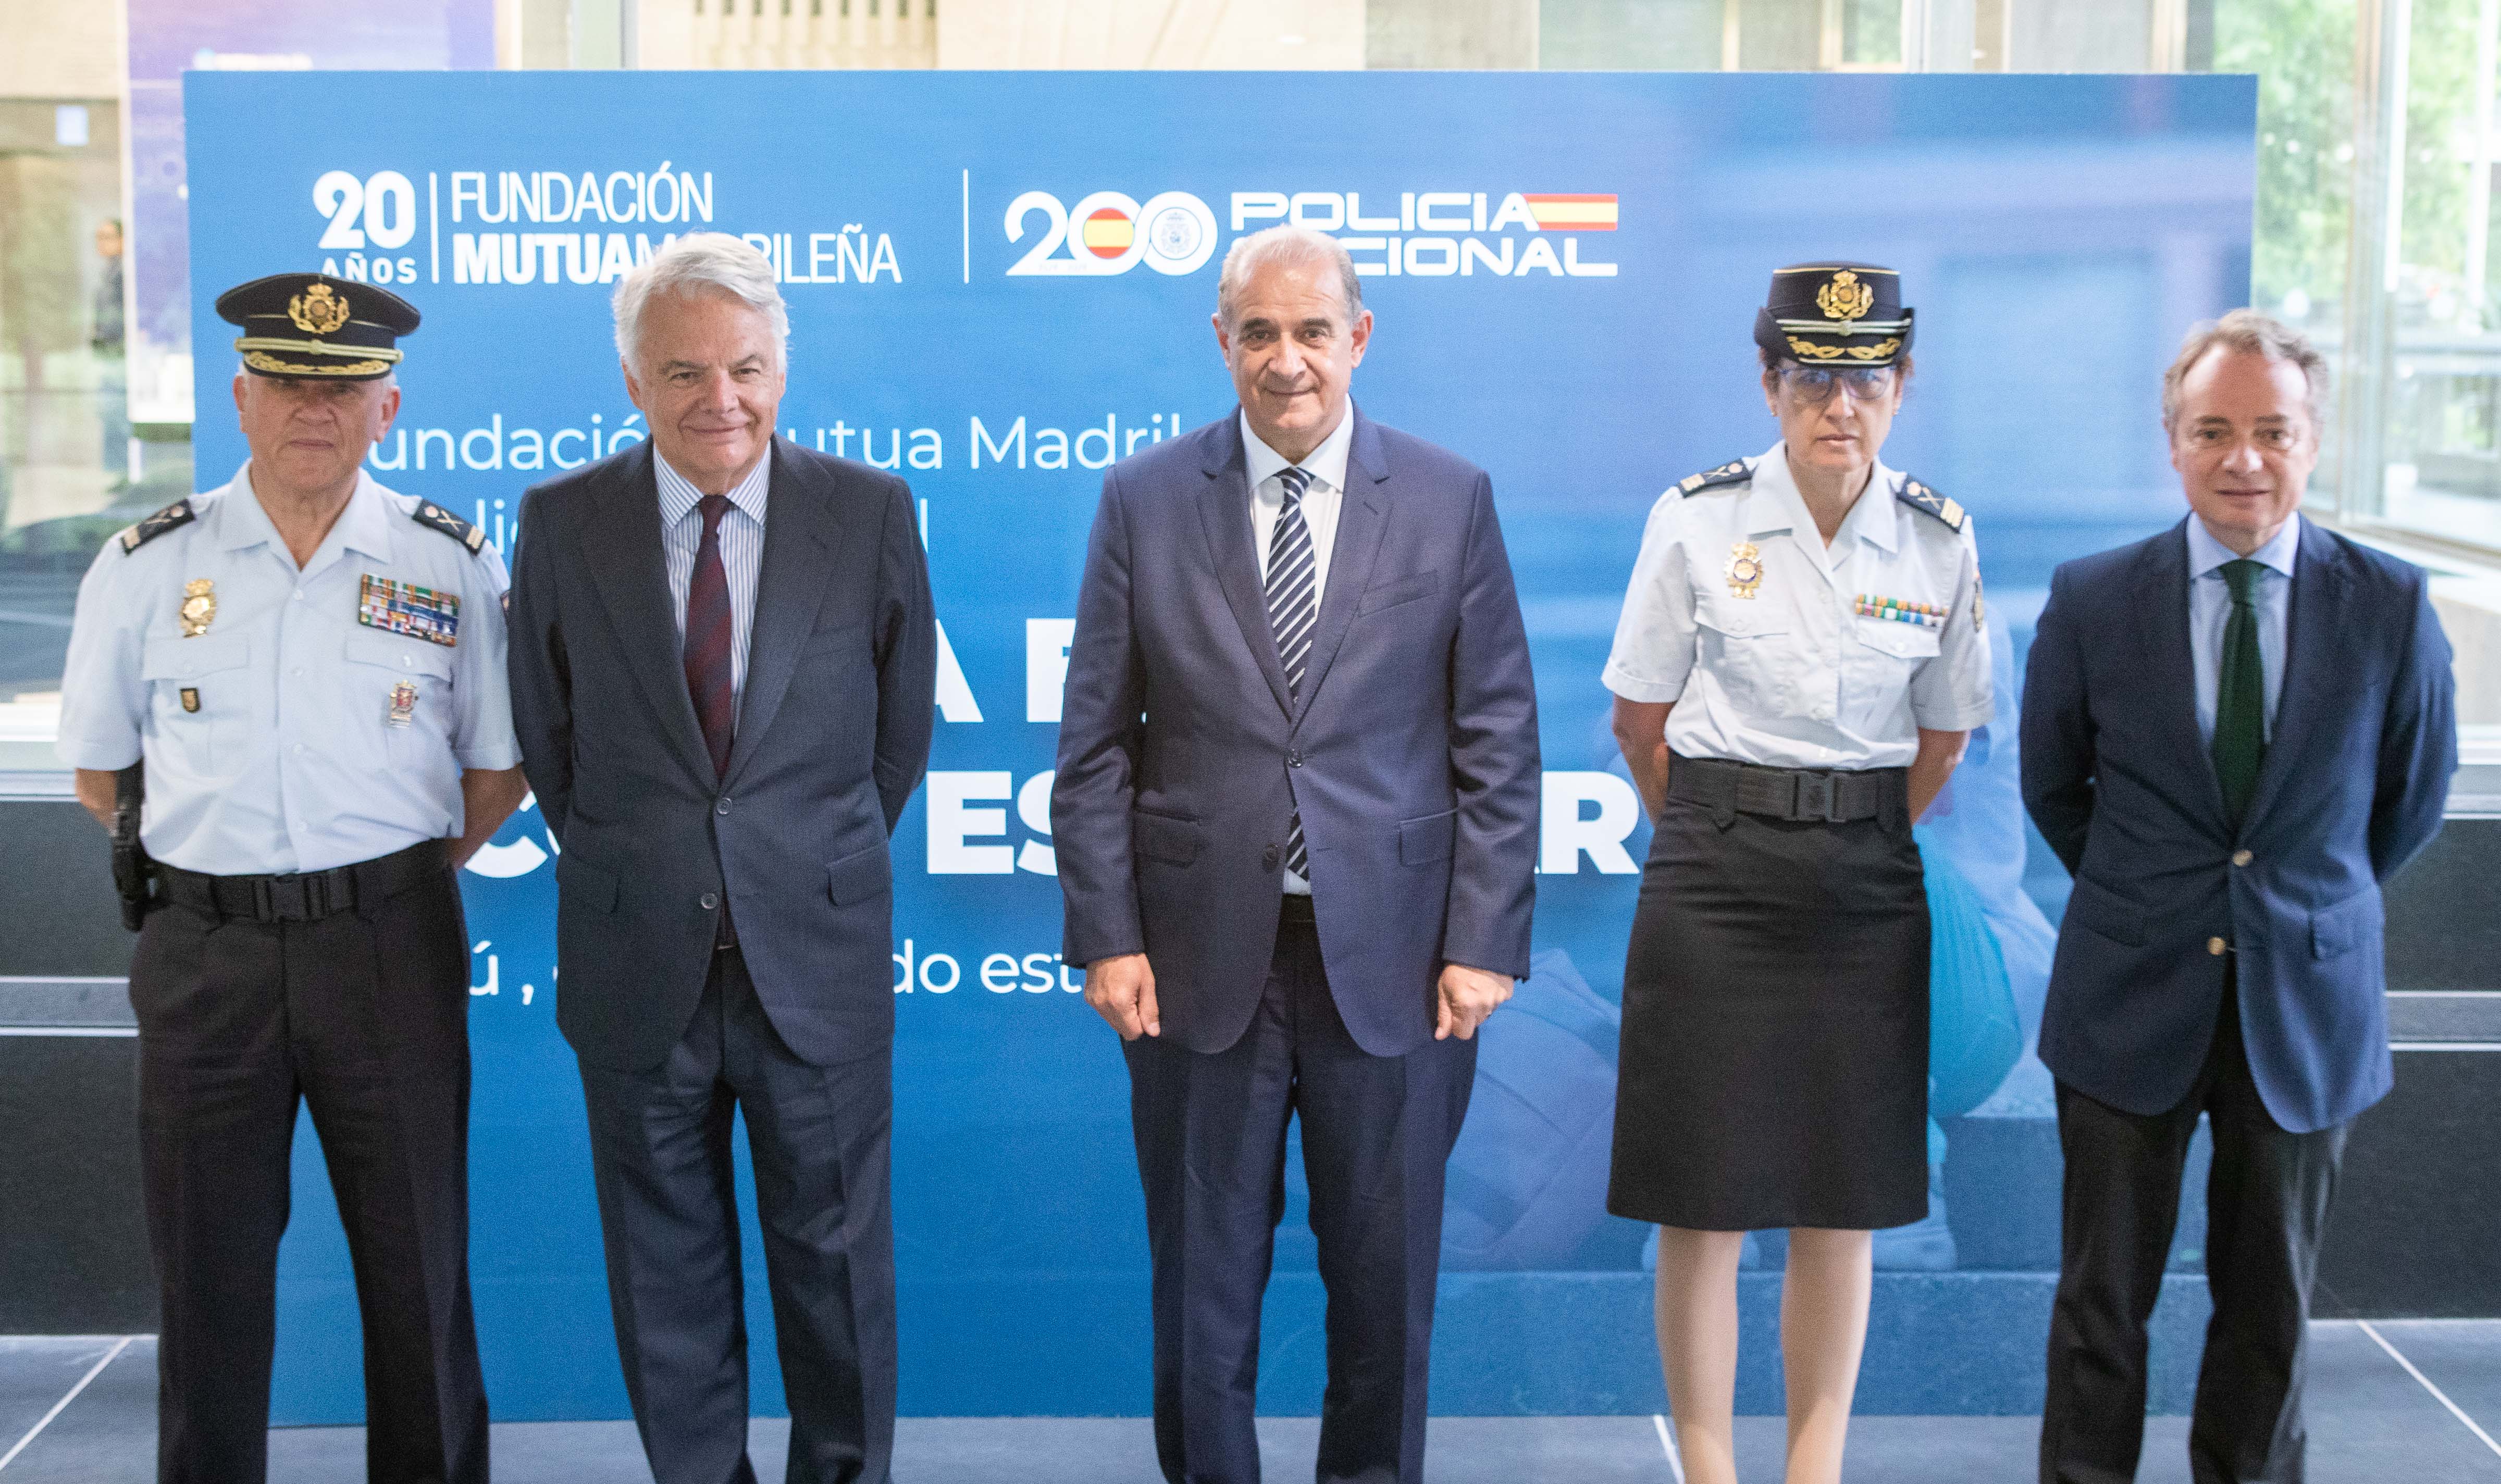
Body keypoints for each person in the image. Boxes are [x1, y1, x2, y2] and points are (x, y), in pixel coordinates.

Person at [1051, 225, 1540, 1484]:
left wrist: (1484, 939)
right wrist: (1107, 933)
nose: (1287, 362)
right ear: (1221, 340)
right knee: (1202, 1293)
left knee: (1385, 1293)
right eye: (1259, 333)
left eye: (1313, 332)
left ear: (1358, 338)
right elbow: (1093, 747)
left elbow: (1498, 738)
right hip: (1195, 964)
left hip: (1399, 965)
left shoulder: (1447, 497)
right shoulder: (1144, 499)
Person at [54, 272, 525, 1484]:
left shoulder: (449, 563)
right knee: (206, 1278)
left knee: (417, 1270)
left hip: (387, 945)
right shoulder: (146, 564)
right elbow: (102, 771)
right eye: (287, 383)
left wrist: (379, 877)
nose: (314, 408)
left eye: (342, 389)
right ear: (240, 398)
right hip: (205, 953)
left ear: (388, 409)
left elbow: (496, 767)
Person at [506, 232, 936, 1484]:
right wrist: (660, 861)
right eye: (685, 372)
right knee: (665, 1281)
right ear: (633, 381)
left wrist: (792, 860)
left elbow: (897, 734)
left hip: (815, 953)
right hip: (638, 960)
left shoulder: (868, 513)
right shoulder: (561, 521)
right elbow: (548, 738)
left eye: (746, 368)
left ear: (780, 370)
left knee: (838, 1277)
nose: (722, 399)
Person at [2024, 310, 2456, 1484]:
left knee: (2269, 1311)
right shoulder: (2093, 597)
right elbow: (2055, 785)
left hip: (2305, 1005)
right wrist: (2154, 894)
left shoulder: (2391, 604)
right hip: (2127, 996)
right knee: (2099, 1308)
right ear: (2173, 441)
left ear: (2313, 440)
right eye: (2214, 430)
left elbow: (2408, 801)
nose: (2244, 458)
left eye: (2273, 430)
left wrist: (2297, 907)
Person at [1602, 263, 1992, 1484]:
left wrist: (1844, 827)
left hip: (1865, 878)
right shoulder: (1697, 520)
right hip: (1714, 871)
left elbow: (1944, 741)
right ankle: (1710, 1469)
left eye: (1866, 381)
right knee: (1703, 1198)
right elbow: (1640, 726)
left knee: (1843, 1194)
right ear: (1770, 386)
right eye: (1814, 380)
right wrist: (1730, 827)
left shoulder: (1937, 538)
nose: (1841, 407)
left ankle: (1814, 1470)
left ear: (1902, 387)